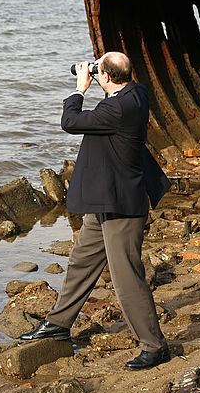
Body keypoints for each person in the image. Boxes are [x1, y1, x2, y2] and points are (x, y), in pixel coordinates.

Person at [20, 51, 174, 370]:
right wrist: (100, 73)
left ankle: (155, 345)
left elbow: (71, 121)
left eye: (97, 67)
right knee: (81, 261)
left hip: (121, 206)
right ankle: (59, 324)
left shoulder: (117, 108)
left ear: (104, 77)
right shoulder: (135, 92)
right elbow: (113, 88)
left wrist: (80, 87)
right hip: (105, 198)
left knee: (126, 278)